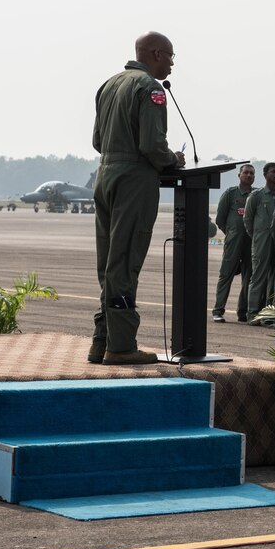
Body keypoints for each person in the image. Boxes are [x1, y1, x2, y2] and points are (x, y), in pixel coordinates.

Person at [90, 31, 185, 365]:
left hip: (105, 176)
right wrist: (172, 159)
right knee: (126, 260)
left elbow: (98, 140)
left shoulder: (110, 84)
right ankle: (121, 345)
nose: (173, 63)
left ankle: (102, 341)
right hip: (134, 180)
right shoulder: (150, 88)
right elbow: (151, 145)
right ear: (156, 54)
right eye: (171, 56)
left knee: (108, 264)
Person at [212, 163, 255, 323]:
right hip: (233, 242)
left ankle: (242, 312)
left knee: (249, 278)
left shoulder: (256, 195)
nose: (249, 176)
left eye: (252, 173)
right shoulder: (230, 194)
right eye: (246, 173)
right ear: (239, 175)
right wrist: (231, 233)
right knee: (226, 275)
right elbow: (220, 219)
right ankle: (218, 310)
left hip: (251, 243)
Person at [244, 162, 275, 324]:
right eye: (273, 172)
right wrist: (257, 236)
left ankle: (270, 313)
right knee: (258, 277)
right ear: (265, 175)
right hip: (261, 241)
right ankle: (252, 313)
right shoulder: (257, 196)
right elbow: (247, 220)